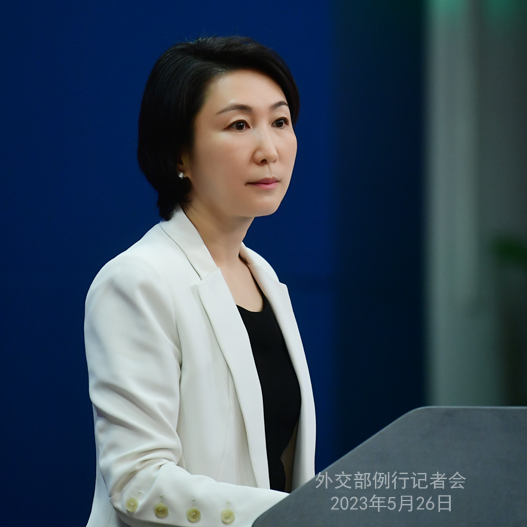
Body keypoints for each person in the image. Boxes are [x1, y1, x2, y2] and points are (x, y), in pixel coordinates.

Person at [84, 36, 316, 527]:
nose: (269, 150)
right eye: (239, 125)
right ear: (178, 155)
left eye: (280, 122)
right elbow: (136, 482)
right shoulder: (138, 281)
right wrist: (299, 514)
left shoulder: (263, 277)